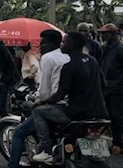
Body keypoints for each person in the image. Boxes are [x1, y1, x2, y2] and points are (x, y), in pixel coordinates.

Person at [31, 31, 108, 163]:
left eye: (64, 42)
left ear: (71, 45)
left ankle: (47, 150)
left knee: (38, 112)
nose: (62, 45)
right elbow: (104, 86)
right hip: (99, 113)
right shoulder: (93, 61)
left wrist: (40, 102)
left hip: (77, 114)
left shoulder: (69, 67)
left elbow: (59, 95)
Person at [7, 29, 69, 168]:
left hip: (54, 104)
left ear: (50, 43)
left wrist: (35, 101)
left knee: (19, 132)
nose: (40, 46)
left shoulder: (48, 58)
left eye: (42, 43)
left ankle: (14, 165)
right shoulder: (66, 57)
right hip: (69, 104)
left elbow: (45, 89)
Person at [98, 23, 123, 154]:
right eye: (101, 33)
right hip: (107, 88)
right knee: (110, 118)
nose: (102, 36)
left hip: (117, 90)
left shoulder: (119, 48)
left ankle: (119, 143)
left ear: (113, 35)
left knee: (117, 117)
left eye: (105, 33)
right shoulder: (106, 48)